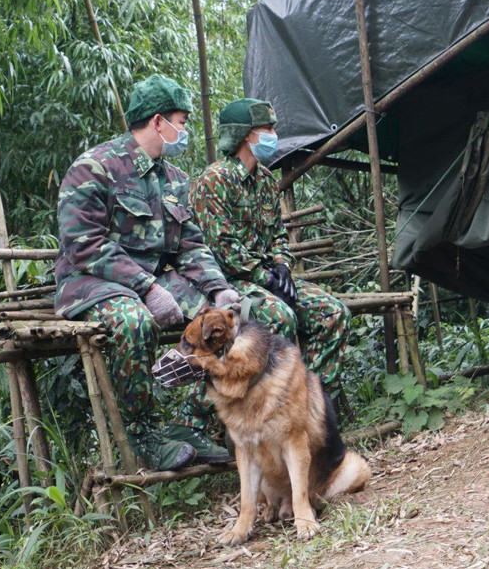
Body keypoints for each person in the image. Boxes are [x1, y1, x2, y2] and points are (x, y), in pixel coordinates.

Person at [54, 74, 239, 470]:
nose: (185, 130)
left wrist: (218, 289)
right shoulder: (94, 167)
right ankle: (142, 434)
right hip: (91, 283)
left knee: (227, 320)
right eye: (182, 121)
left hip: (151, 280)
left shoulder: (173, 179)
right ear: (159, 122)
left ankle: (190, 423)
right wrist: (148, 287)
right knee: (133, 322)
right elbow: (81, 243)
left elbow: (190, 245)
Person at [190, 98, 352, 389]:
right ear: (244, 134)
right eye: (265, 128)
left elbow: (277, 233)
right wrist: (266, 277)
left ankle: (314, 399)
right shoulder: (213, 181)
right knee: (281, 318)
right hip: (231, 284)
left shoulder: (264, 179)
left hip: (267, 277)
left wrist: (282, 266)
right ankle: (271, 406)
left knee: (334, 313)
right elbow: (222, 248)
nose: (272, 135)